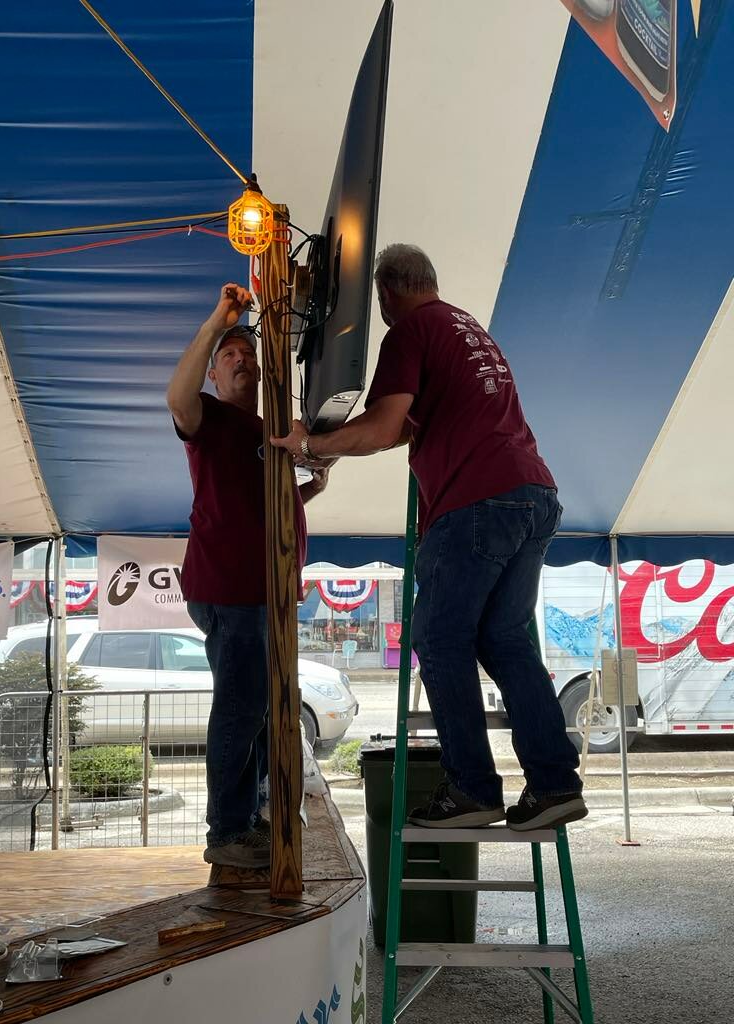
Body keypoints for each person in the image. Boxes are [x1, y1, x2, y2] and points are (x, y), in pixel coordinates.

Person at [272, 245, 586, 832]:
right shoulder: (465, 328)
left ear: (386, 295)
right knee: (506, 640)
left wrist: (310, 444)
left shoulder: (409, 331)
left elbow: (384, 426)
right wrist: (334, 446)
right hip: (533, 493)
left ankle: (472, 790)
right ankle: (554, 785)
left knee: (440, 638)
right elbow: (399, 430)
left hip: (475, 502)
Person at [167, 283, 329, 868]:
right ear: (213, 374)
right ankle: (228, 832)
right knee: (241, 707)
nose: (242, 359)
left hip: (266, 591)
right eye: (228, 356)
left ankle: (255, 811)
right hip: (231, 590)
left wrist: (307, 486)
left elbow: (261, 503)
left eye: (247, 353)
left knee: (262, 704)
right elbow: (175, 396)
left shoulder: (268, 429)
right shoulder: (207, 418)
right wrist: (219, 320)